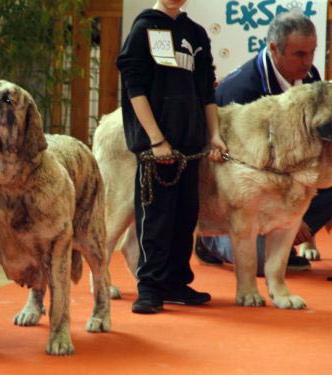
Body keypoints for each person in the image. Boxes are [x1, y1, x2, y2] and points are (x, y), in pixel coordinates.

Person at [195, 10, 332, 277]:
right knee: (259, 263)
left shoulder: (312, 78)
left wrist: (297, 210)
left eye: (312, 52)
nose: (308, 62)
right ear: (274, 49)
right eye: (299, 54)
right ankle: (209, 240)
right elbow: (231, 171)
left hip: (290, 185)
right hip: (239, 193)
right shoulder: (241, 89)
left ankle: (287, 235)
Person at [116, 0, 227, 314]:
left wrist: (214, 135)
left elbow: (206, 90)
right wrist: (156, 139)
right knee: (156, 218)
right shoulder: (143, 28)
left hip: (190, 147)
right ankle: (149, 287)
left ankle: (176, 283)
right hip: (158, 150)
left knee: (184, 217)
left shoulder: (196, 33)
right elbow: (133, 89)